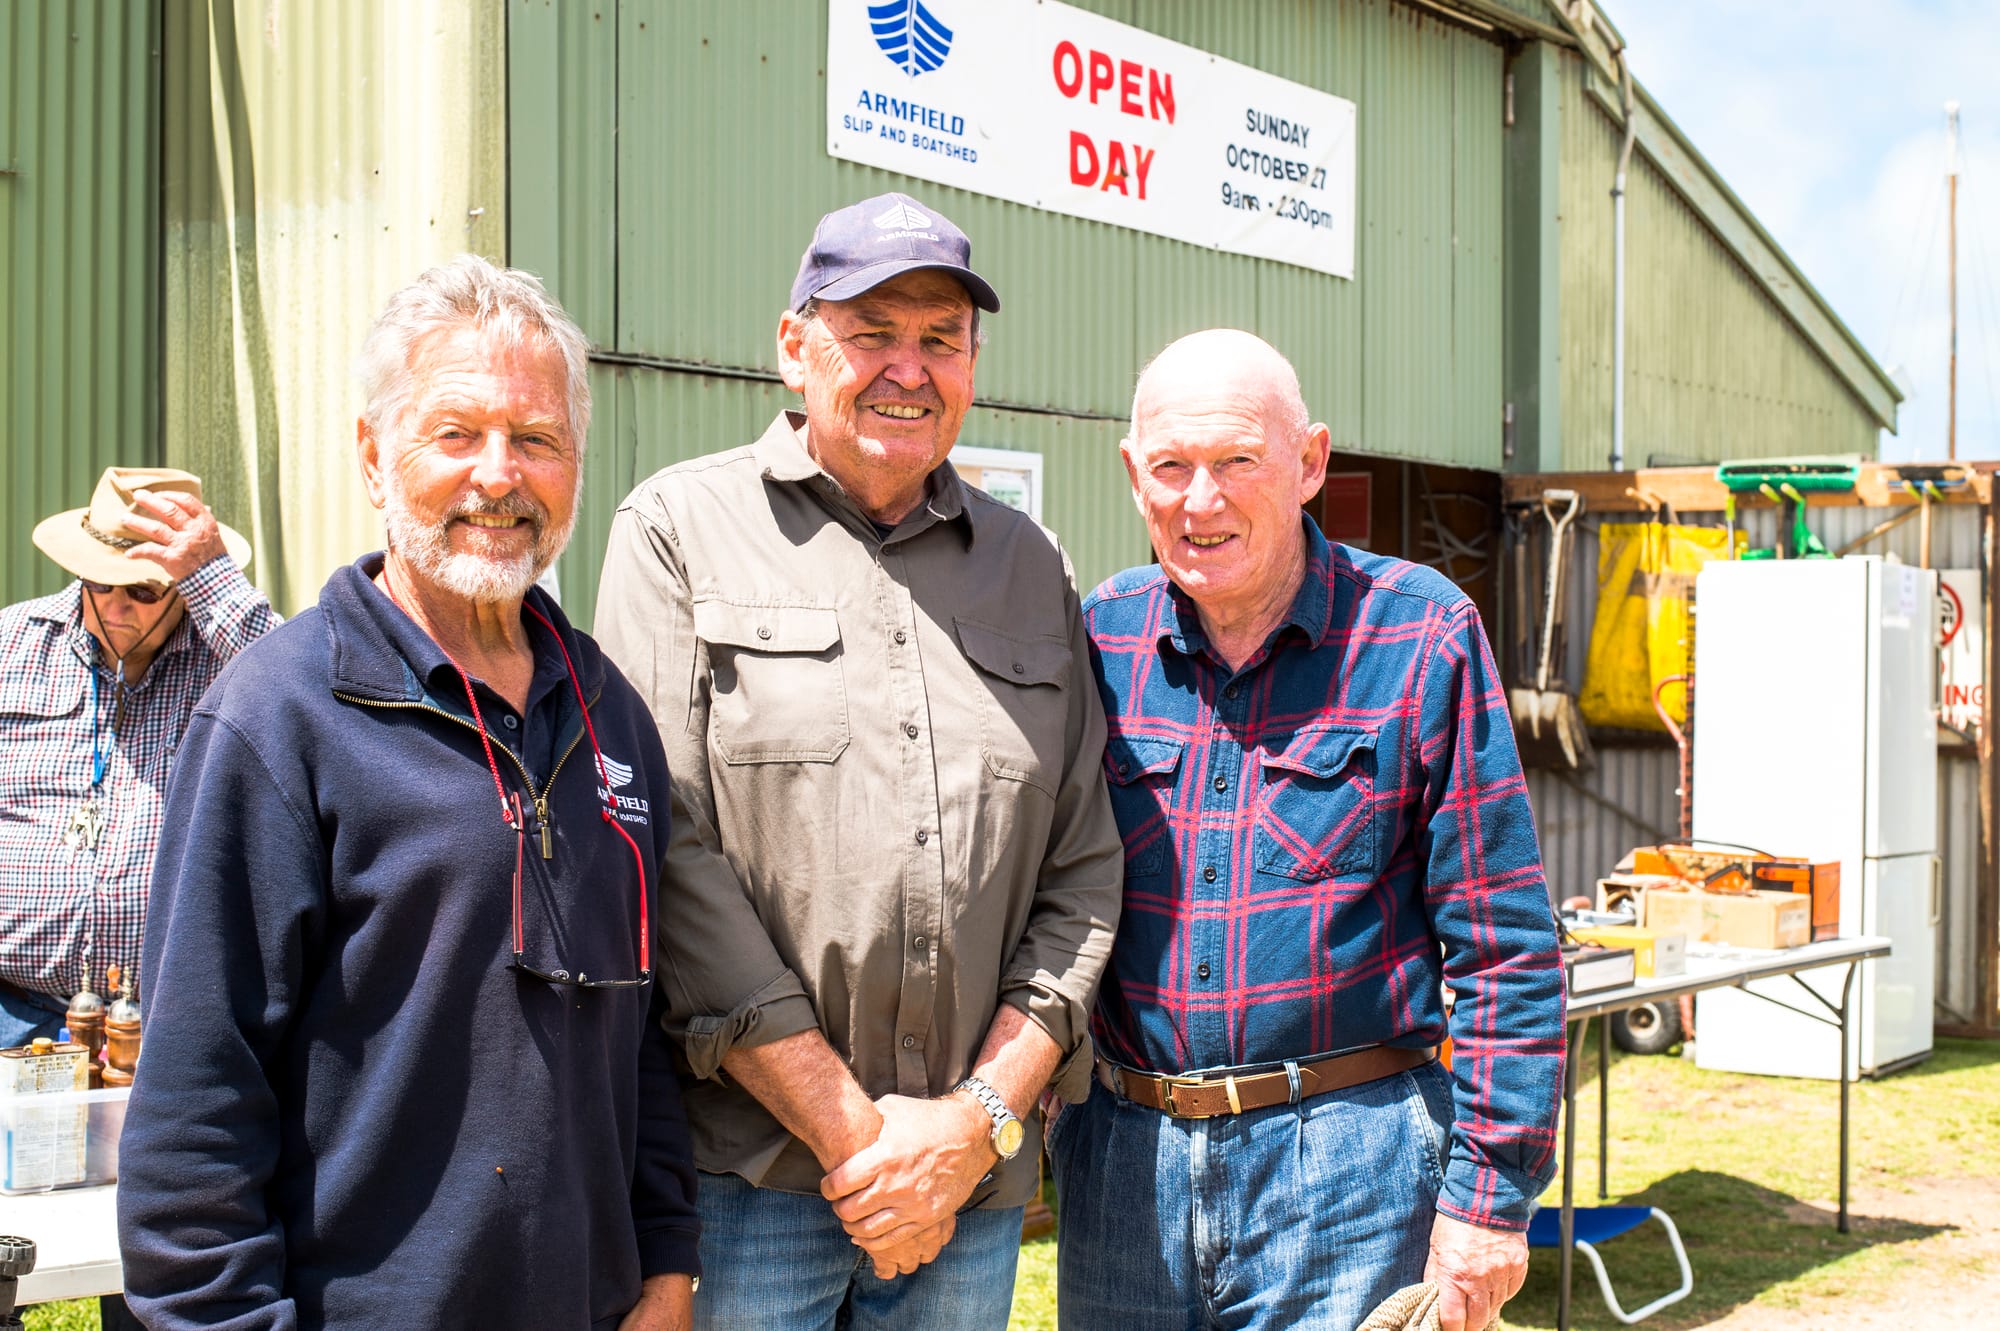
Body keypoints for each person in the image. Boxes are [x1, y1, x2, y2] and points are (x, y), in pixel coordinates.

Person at [116, 256, 700, 1331]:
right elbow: (197, 1099)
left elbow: (642, 1028)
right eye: (455, 432)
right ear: (373, 456)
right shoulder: (276, 717)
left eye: (535, 439)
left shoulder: (608, 708)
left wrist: (664, 1266)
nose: (498, 475)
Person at [594, 191, 1123, 1330]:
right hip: (746, 1186)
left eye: (940, 338)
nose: (908, 368)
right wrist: (861, 1139)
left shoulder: (1032, 570)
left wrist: (971, 1120)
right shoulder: (675, 531)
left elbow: (1081, 874)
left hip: (966, 1192)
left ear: (974, 362)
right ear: (792, 346)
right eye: (870, 331)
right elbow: (659, 852)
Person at [1055, 330, 1566, 1331]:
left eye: (1237, 460)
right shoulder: (1098, 635)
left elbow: (1505, 946)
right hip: (1122, 1163)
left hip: (1349, 1166)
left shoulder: (1418, 634)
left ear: (1310, 462)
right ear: (1132, 474)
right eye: (1170, 466)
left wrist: (1487, 1200)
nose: (1200, 499)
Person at [1, 466, 275, 1331]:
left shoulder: (235, 666)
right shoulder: (12, 648)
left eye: (146, 587)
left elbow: (321, 694)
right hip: (9, 1011)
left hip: (161, 1023)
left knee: (155, 1258)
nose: (116, 602)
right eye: (101, 578)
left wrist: (213, 585)